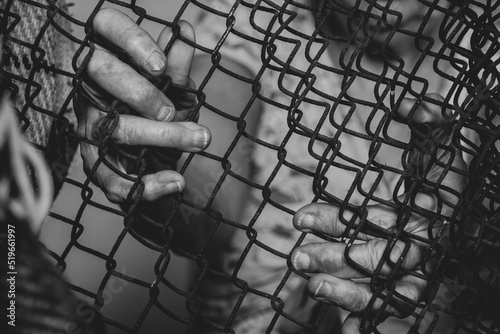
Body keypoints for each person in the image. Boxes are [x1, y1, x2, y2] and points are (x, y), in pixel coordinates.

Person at [1, 0, 474, 333]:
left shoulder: (481, 48)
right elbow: (207, 191)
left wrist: (461, 228)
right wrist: (161, 140)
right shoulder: (258, 18)